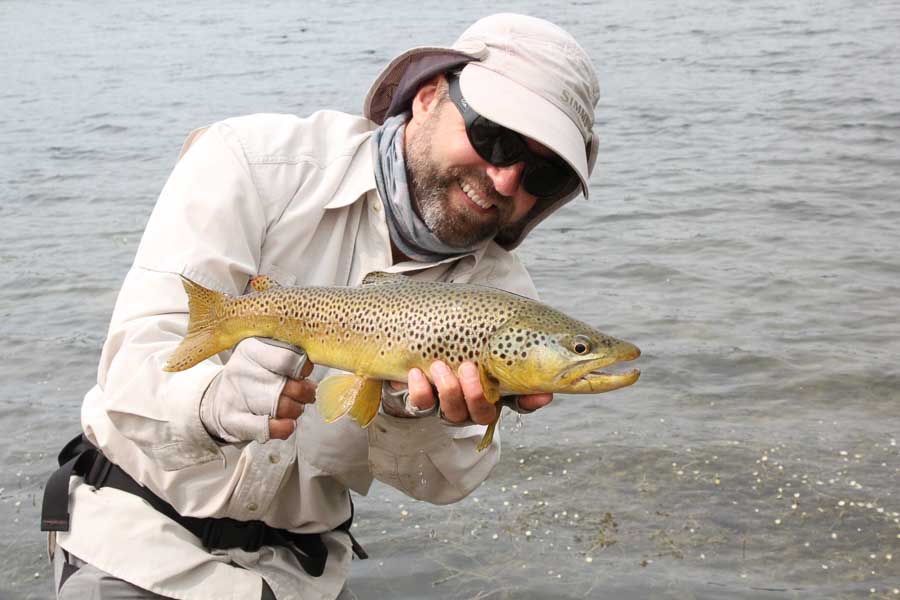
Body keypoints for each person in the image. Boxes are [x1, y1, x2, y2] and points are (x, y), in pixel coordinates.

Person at [42, 12, 600, 600]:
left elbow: (443, 485)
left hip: (297, 577)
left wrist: (412, 412)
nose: (506, 179)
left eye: (541, 171)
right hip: (133, 545)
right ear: (430, 95)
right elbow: (133, 369)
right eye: (497, 138)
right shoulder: (252, 162)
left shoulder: (504, 298)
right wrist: (212, 403)